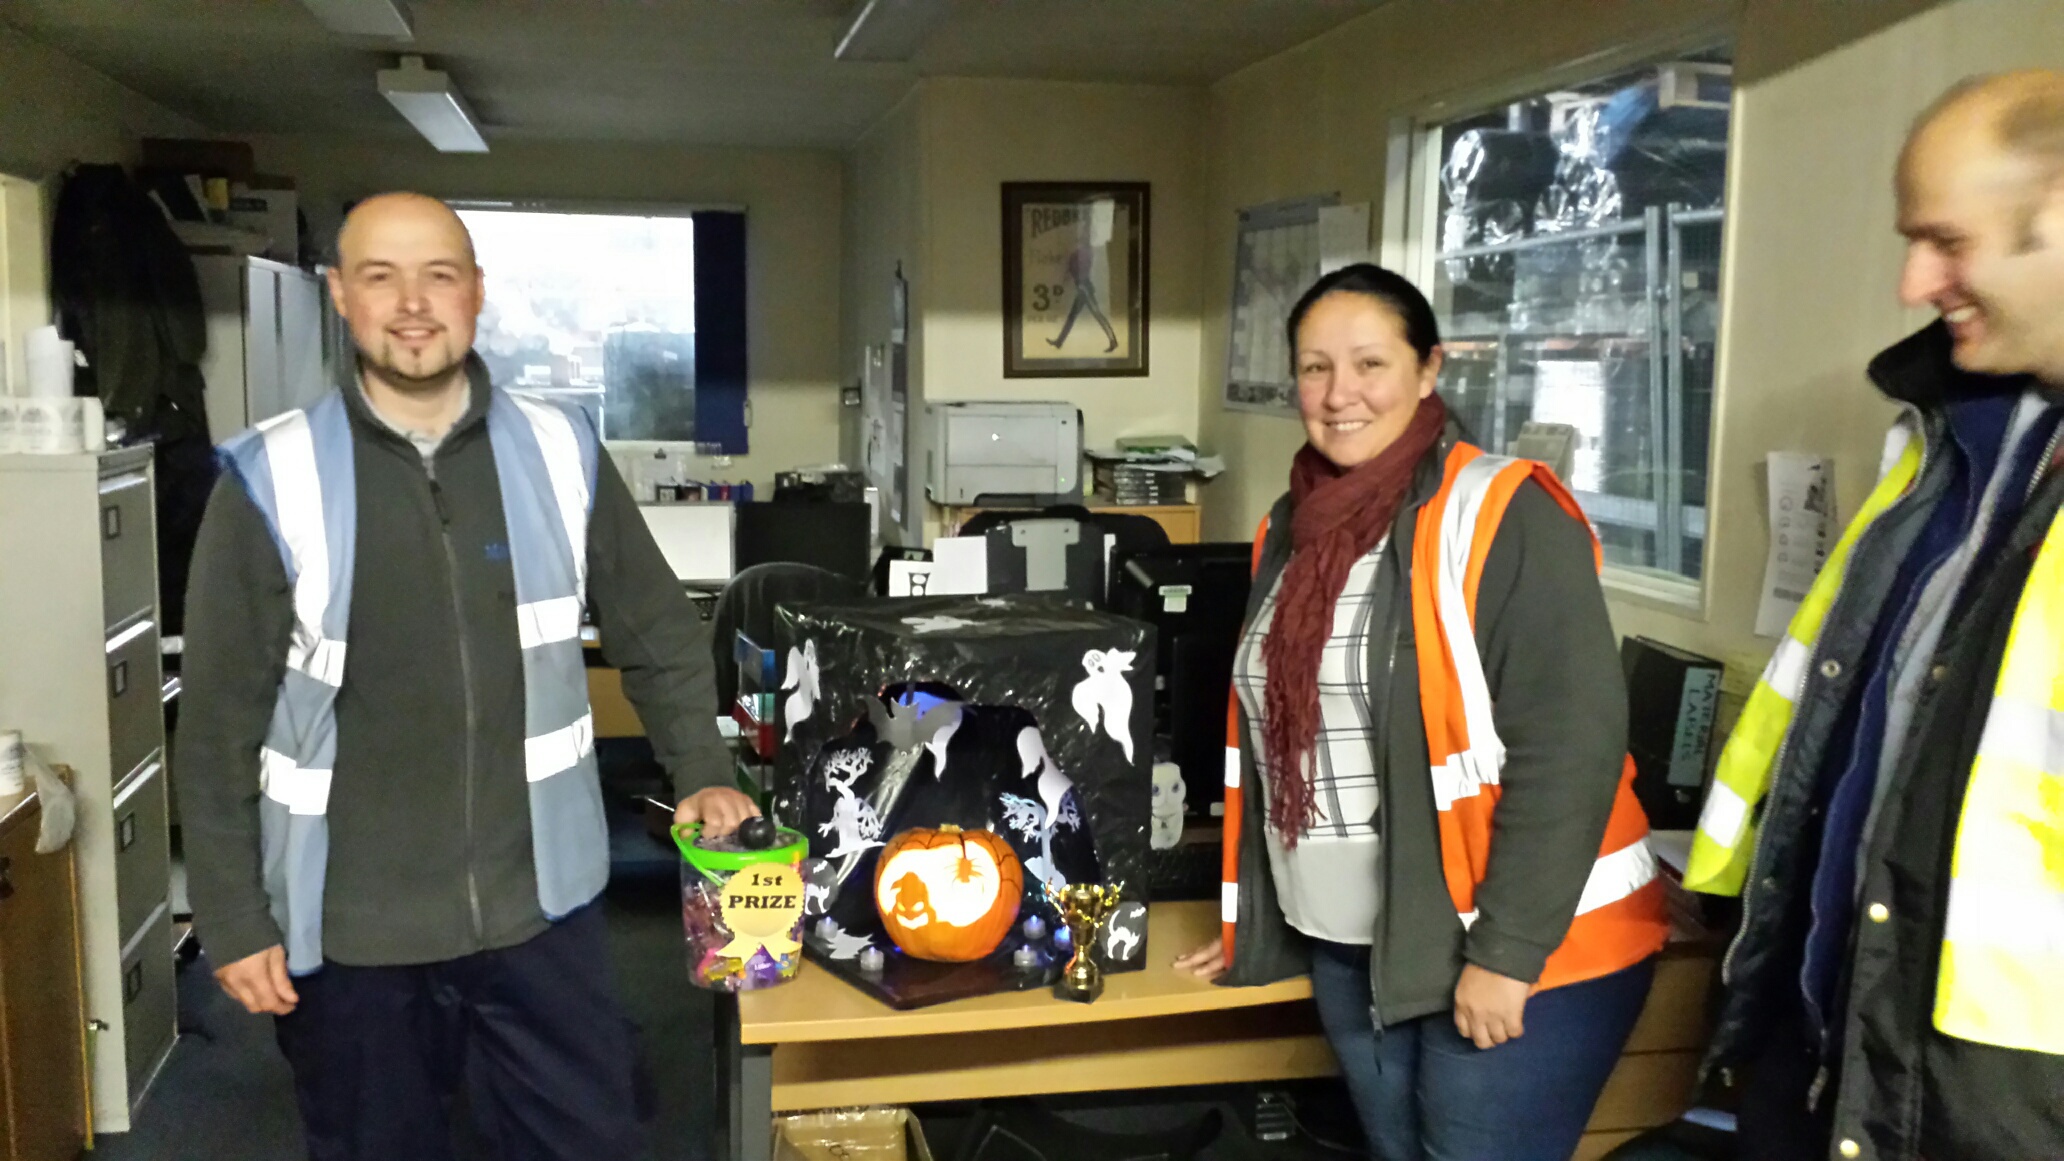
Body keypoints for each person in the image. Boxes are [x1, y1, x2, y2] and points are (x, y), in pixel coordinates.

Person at [176, 191, 759, 1160]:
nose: (413, 302)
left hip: (542, 915)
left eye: (438, 274)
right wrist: (235, 916)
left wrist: (701, 765)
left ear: (478, 292)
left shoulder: (559, 448)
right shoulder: (267, 480)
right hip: (353, 934)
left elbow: (654, 625)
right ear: (339, 296)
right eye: (380, 276)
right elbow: (217, 729)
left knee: (593, 1141)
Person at [1177, 263, 1670, 1160]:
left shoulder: (1502, 510)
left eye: (1370, 363)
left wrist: (1509, 954)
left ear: (1430, 368)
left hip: (1512, 947)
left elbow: (1572, 745)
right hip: (1354, 945)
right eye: (1315, 368)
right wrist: (1250, 915)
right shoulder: (1294, 526)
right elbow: (1285, 741)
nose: (1339, 395)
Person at [1687, 70, 2064, 1161]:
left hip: (1996, 1115)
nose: (1912, 281)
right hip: (1829, 1068)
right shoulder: (1947, 445)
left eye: (1947, 240)